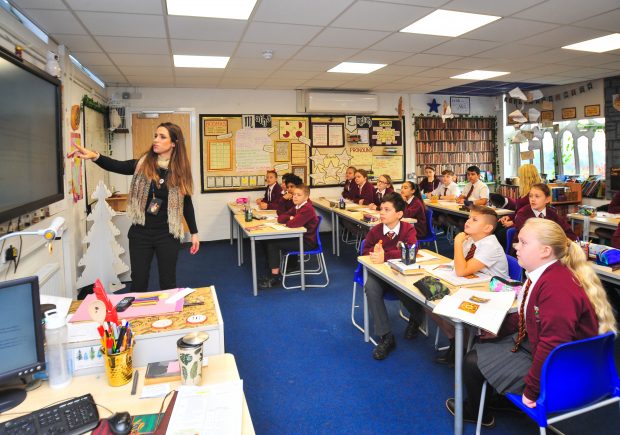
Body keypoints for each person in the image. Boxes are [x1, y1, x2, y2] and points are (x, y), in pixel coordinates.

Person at [445, 219, 616, 428]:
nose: (516, 246)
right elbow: (531, 317)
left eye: (523, 243)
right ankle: (498, 399)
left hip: (564, 368)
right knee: (483, 347)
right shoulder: (544, 274)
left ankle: (476, 411)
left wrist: (532, 390)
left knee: (472, 361)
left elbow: (553, 344)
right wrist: (498, 327)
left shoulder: (556, 287)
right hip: (555, 355)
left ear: (545, 251)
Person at [67, 122, 199, 291]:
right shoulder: (142, 164)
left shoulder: (180, 172)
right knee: (139, 282)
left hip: (167, 234)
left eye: (162, 137)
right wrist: (95, 156)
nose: (156, 140)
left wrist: (194, 233)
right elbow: (117, 165)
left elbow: (186, 203)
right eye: (155, 136)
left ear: (174, 143)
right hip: (140, 233)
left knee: (168, 282)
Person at [432, 206, 510, 366]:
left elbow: (461, 270)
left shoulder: (489, 245)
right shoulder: (473, 241)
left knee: (441, 300)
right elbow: (459, 265)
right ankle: (455, 341)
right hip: (473, 285)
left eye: (475, 219)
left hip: (493, 296)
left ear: (487, 228)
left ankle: (463, 347)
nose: (468, 221)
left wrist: (457, 243)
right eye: (469, 218)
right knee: (430, 302)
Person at [363, 192, 424, 360]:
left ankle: (417, 318)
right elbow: (365, 250)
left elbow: (412, 250)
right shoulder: (375, 230)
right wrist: (375, 253)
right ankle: (386, 336)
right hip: (380, 273)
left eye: (387, 209)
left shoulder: (408, 228)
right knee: (370, 287)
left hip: (400, 271)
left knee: (407, 286)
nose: (381, 212)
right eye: (381, 208)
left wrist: (387, 255)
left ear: (399, 214)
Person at [259, 185, 319, 288]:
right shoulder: (297, 206)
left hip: (307, 242)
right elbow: (280, 218)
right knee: (267, 240)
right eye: (294, 194)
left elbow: (292, 224)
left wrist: (291, 219)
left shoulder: (307, 208)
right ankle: (272, 269)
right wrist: (291, 217)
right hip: (298, 237)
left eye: (299, 195)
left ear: (306, 197)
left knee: (273, 244)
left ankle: (275, 277)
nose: (295, 197)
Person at [513, 183, 578, 243]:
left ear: (547, 199)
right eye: (530, 196)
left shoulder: (552, 213)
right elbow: (528, 239)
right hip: (525, 250)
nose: (533, 199)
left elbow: (570, 234)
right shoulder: (522, 214)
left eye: (537, 196)